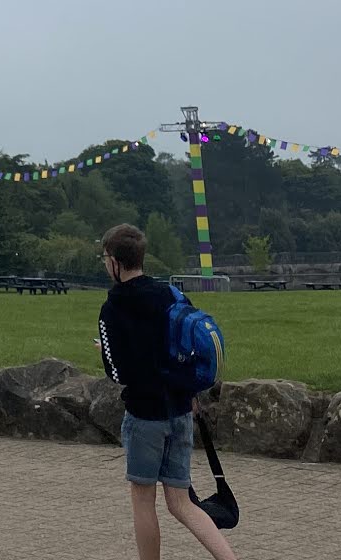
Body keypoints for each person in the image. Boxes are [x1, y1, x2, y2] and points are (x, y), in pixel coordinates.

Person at [96, 224, 238, 560]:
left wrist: (105, 349)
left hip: (145, 416)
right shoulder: (170, 296)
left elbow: (118, 373)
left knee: (143, 501)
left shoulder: (113, 308)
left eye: (104, 258)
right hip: (179, 409)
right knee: (181, 502)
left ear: (116, 262)